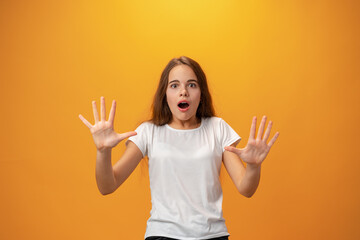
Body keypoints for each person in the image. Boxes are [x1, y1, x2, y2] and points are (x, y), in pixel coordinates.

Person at [79, 56, 279, 240]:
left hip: (212, 236)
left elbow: (246, 188)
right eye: (174, 85)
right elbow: (107, 186)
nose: (183, 91)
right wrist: (103, 152)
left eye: (192, 85)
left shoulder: (217, 128)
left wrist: (253, 166)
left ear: (201, 94)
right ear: (165, 94)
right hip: (162, 235)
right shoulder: (149, 131)